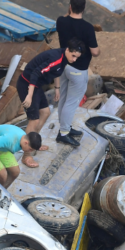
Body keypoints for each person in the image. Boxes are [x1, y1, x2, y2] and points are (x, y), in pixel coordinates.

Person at [16, 38, 85, 168]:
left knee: (45, 112)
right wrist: (29, 95)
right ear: (67, 50)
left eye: (77, 57)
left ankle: (35, 142)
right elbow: (35, 73)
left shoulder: (64, 58)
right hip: (27, 84)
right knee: (33, 120)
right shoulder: (56, 58)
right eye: (73, 56)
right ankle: (26, 155)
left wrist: (57, 88)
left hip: (37, 86)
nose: (75, 59)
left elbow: (56, 72)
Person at [54, 0, 100, 147]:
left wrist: (69, 11)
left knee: (64, 98)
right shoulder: (87, 28)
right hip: (78, 69)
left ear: (70, 6)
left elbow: (66, 17)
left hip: (63, 65)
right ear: (84, 8)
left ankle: (64, 127)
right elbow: (94, 52)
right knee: (72, 102)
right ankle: (64, 133)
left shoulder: (61, 21)